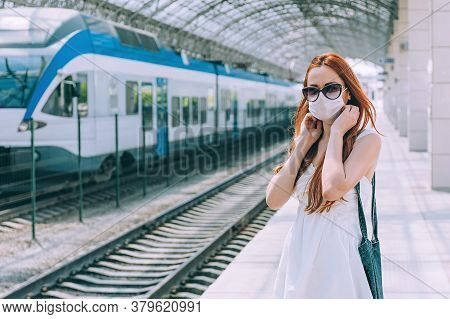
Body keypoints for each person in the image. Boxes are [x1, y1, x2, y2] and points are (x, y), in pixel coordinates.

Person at [265, 52, 383, 298]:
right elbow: (274, 199)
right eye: (312, 91)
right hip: (299, 252)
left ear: (347, 92)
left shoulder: (367, 140)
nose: (321, 97)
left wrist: (338, 132)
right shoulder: (307, 142)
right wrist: (304, 142)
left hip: (340, 258)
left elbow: (332, 189)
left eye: (331, 88)